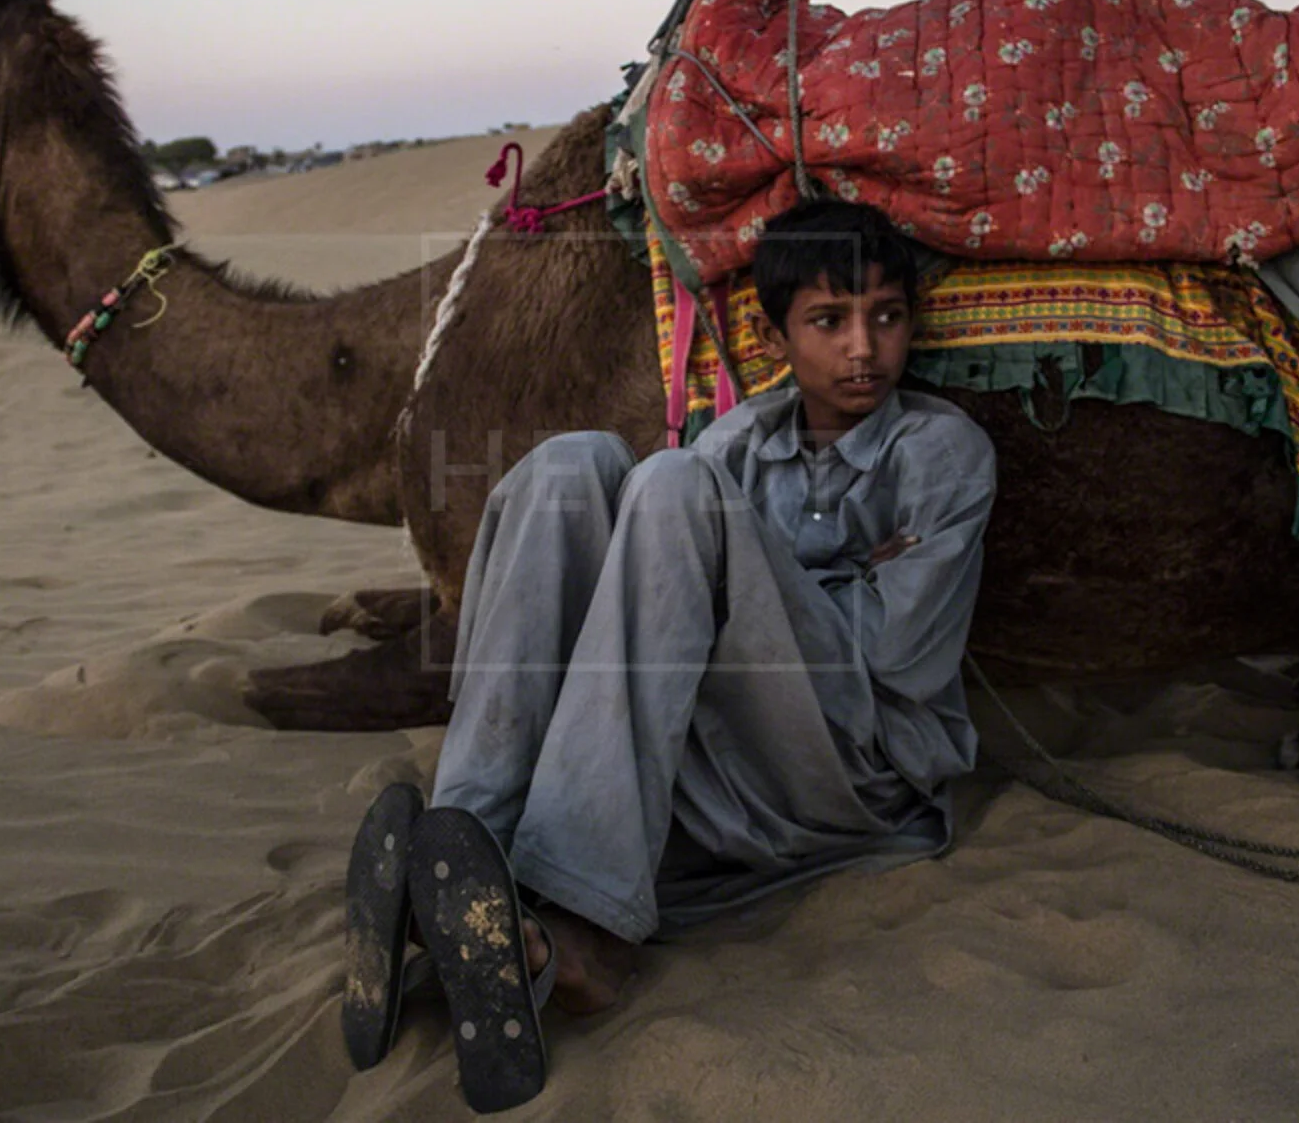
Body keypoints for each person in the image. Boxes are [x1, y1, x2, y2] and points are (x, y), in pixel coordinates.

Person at [342, 199, 997, 1113]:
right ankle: (468, 853)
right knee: (571, 467)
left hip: (855, 765)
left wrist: (753, 581)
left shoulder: (940, 452)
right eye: (829, 321)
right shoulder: (735, 442)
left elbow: (898, 658)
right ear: (778, 337)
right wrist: (834, 574)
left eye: (886, 317)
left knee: (673, 483)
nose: (863, 349)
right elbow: (663, 608)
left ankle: (579, 931)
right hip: (730, 750)